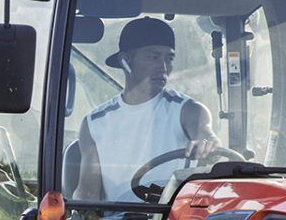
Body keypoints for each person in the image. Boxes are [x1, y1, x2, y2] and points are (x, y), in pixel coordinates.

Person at [73, 16, 220, 200]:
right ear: (125, 60)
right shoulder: (94, 123)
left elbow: (205, 134)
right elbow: (87, 193)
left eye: (169, 58)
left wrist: (208, 144)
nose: (164, 67)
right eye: (153, 57)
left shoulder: (188, 110)